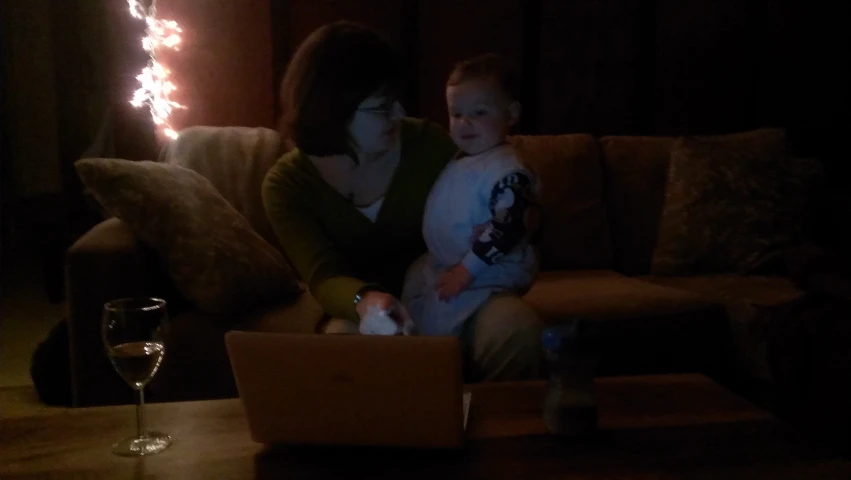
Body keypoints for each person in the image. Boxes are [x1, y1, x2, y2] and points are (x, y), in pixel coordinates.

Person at [262, 21, 543, 381]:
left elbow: (506, 195)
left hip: (447, 290)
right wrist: (366, 300)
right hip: (360, 307)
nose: (399, 113)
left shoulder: (428, 145)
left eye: (396, 99)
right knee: (345, 351)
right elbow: (324, 275)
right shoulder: (287, 185)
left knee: (516, 331)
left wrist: (529, 218)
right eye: (382, 108)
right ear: (333, 111)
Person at [401, 53, 540, 338]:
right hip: (448, 260)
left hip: (487, 268)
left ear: (511, 114)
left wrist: (465, 272)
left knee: (446, 313)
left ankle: (445, 358)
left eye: (479, 112)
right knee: (415, 282)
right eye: (456, 113)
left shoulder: (507, 170)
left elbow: (510, 226)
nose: (464, 123)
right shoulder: (463, 157)